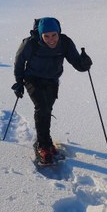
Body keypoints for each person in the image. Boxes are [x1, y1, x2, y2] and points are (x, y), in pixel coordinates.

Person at [12, 17, 92, 164]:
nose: (51, 39)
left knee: (47, 108)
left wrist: (85, 63)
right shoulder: (30, 43)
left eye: (54, 35)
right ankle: (43, 145)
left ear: (58, 32)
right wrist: (18, 82)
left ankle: (46, 140)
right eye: (46, 36)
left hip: (52, 79)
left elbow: (77, 63)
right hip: (32, 78)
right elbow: (19, 61)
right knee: (42, 107)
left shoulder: (65, 42)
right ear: (41, 35)